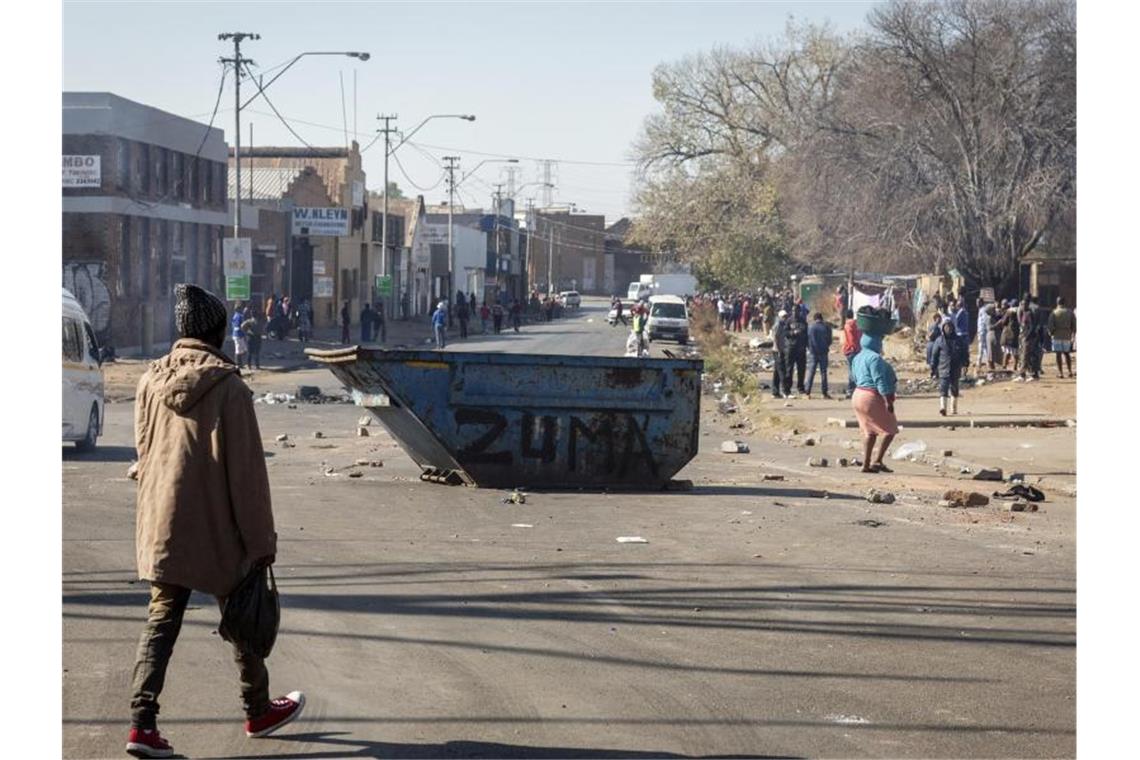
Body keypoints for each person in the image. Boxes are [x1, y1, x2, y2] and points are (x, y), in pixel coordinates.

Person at [126, 284, 301, 758]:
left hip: (163, 524)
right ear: (219, 333)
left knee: (161, 619)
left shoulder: (148, 382)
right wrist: (261, 540)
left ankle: (141, 725)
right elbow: (246, 475)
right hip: (218, 528)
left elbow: (143, 455)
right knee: (243, 611)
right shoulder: (230, 389)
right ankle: (258, 709)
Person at [850, 332, 899, 473]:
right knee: (890, 429)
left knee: (869, 431)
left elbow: (853, 377)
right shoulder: (875, 358)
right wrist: (887, 400)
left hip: (857, 394)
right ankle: (877, 460)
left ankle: (865, 464)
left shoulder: (857, 357)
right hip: (871, 396)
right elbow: (879, 380)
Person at [931, 320, 965, 416]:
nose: (948, 329)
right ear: (943, 328)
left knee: (954, 388)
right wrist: (933, 367)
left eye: (950, 327)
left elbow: (964, 353)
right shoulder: (939, 340)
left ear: (953, 328)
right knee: (943, 388)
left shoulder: (958, 340)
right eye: (946, 327)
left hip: (955, 367)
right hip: (943, 367)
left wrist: (965, 364)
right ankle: (943, 408)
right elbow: (934, 355)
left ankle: (953, 409)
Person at [805, 312, 833, 400]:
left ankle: (807, 392)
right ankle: (824, 393)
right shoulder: (826, 327)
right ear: (822, 318)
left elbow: (807, 339)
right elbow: (829, 340)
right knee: (823, 372)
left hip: (813, 352)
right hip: (823, 352)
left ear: (815, 319)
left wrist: (809, 348)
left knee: (811, 372)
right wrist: (826, 346)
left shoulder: (811, 327)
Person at [1047, 296, 1076, 378]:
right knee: (1067, 354)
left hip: (1057, 336)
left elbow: (1050, 326)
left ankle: (1061, 373)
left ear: (1057, 302)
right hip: (1067, 335)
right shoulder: (1070, 312)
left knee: (1058, 354)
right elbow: (1074, 325)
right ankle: (1070, 371)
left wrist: (1051, 333)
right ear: (1064, 303)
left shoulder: (1054, 312)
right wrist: (1073, 334)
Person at [784, 308, 809, 397]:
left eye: (797, 311)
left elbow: (807, 334)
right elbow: (785, 332)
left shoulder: (803, 321)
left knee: (801, 369)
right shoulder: (789, 321)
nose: (795, 312)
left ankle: (800, 387)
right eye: (794, 311)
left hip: (801, 349)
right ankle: (787, 389)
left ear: (799, 312)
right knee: (789, 369)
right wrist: (793, 333)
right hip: (791, 348)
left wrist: (807, 346)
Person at [841, 309, 862, 398]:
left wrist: (852, 346)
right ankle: (857, 388)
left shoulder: (848, 325)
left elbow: (850, 337)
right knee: (856, 370)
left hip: (851, 350)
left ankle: (851, 389)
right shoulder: (858, 324)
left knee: (851, 370)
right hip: (858, 349)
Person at [770, 309, 788, 399]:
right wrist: (779, 350)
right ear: (780, 317)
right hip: (777, 351)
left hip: (780, 350)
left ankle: (775, 392)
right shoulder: (778, 325)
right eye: (784, 317)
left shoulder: (783, 325)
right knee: (781, 371)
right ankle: (785, 390)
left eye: (786, 317)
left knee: (777, 372)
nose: (785, 318)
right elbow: (775, 338)